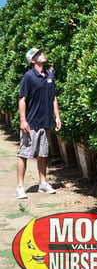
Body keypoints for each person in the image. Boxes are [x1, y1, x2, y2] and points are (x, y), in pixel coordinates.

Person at [16, 48, 62, 199]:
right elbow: (22, 99)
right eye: (38, 54)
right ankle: (20, 187)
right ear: (32, 60)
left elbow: (53, 97)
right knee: (24, 154)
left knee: (43, 154)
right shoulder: (28, 77)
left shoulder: (49, 75)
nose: (42, 54)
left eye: (41, 52)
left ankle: (43, 183)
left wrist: (57, 117)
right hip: (31, 122)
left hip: (45, 122)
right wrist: (23, 120)